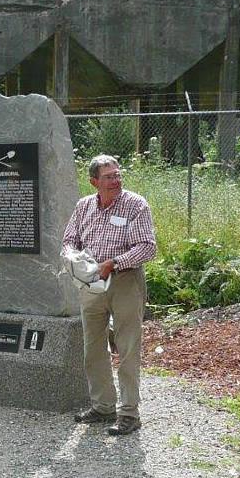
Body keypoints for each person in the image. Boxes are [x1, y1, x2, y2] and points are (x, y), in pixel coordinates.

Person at [62, 154, 157, 435]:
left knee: (127, 348)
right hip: (91, 285)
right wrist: (73, 259)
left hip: (125, 282)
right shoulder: (83, 207)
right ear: (94, 182)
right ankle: (102, 406)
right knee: (93, 348)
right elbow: (69, 240)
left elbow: (147, 247)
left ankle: (129, 413)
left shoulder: (136, 205)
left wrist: (114, 263)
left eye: (117, 174)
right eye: (108, 177)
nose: (116, 180)